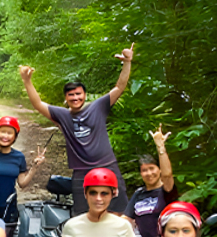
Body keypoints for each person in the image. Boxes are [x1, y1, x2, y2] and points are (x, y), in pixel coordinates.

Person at [19, 45, 134, 215]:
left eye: (78, 94)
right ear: (66, 98)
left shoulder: (98, 106)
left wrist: (127, 62)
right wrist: (27, 81)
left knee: (117, 211)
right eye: (71, 95)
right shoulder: (62, 115)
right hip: (81, 171)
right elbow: (38, 104)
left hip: (107, 165)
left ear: (85, 95)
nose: (75, 98)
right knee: (83, 214)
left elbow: (119, 87)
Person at [124, 127, 179, 237]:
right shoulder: (139, 194)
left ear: (159, 169)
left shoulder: (166, 190)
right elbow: (126, 219)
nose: (149, 173)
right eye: (144, 170)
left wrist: (161, 148)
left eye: (152, 169)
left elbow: (167, 175)